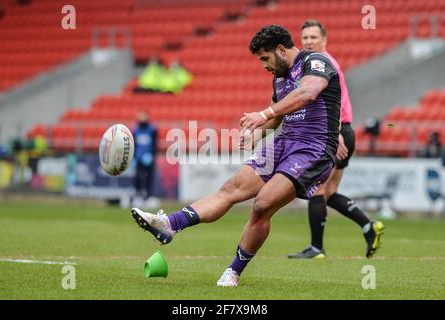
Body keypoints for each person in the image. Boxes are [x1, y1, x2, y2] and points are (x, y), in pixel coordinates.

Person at [131, 25, 341, 286]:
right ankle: (169, 224)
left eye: (265, 58)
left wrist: (263, 114)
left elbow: (308, 92)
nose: (264, 65)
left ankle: (234, 271)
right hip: (284, 142)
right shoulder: (279, 78)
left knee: (262, 204)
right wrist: (256, 133)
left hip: (314, 148)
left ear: (281, 49)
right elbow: (278, 120)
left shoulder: (315, 61)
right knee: (231, 188)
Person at [287, 20, 385, 260]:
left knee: (317, 188)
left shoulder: (325, 64)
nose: (309, 41)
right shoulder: (313, 64)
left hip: (337, 132)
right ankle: (368, 226)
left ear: (325, 40)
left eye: (313, 37)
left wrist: (336, 134)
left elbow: (336, 103)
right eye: (305, 37)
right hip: (342, 131)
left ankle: (317, 248)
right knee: (329, 192)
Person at [133, 111, 157, 202]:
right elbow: (134, 144)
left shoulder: (152, 129)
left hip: (148, 158)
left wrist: (152, 155)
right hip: (138, 158)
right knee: (137, 178)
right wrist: (134, 157)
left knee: (149, 178)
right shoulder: (135, 130)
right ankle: (138, 196)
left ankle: (149, 197)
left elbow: (155, 144)